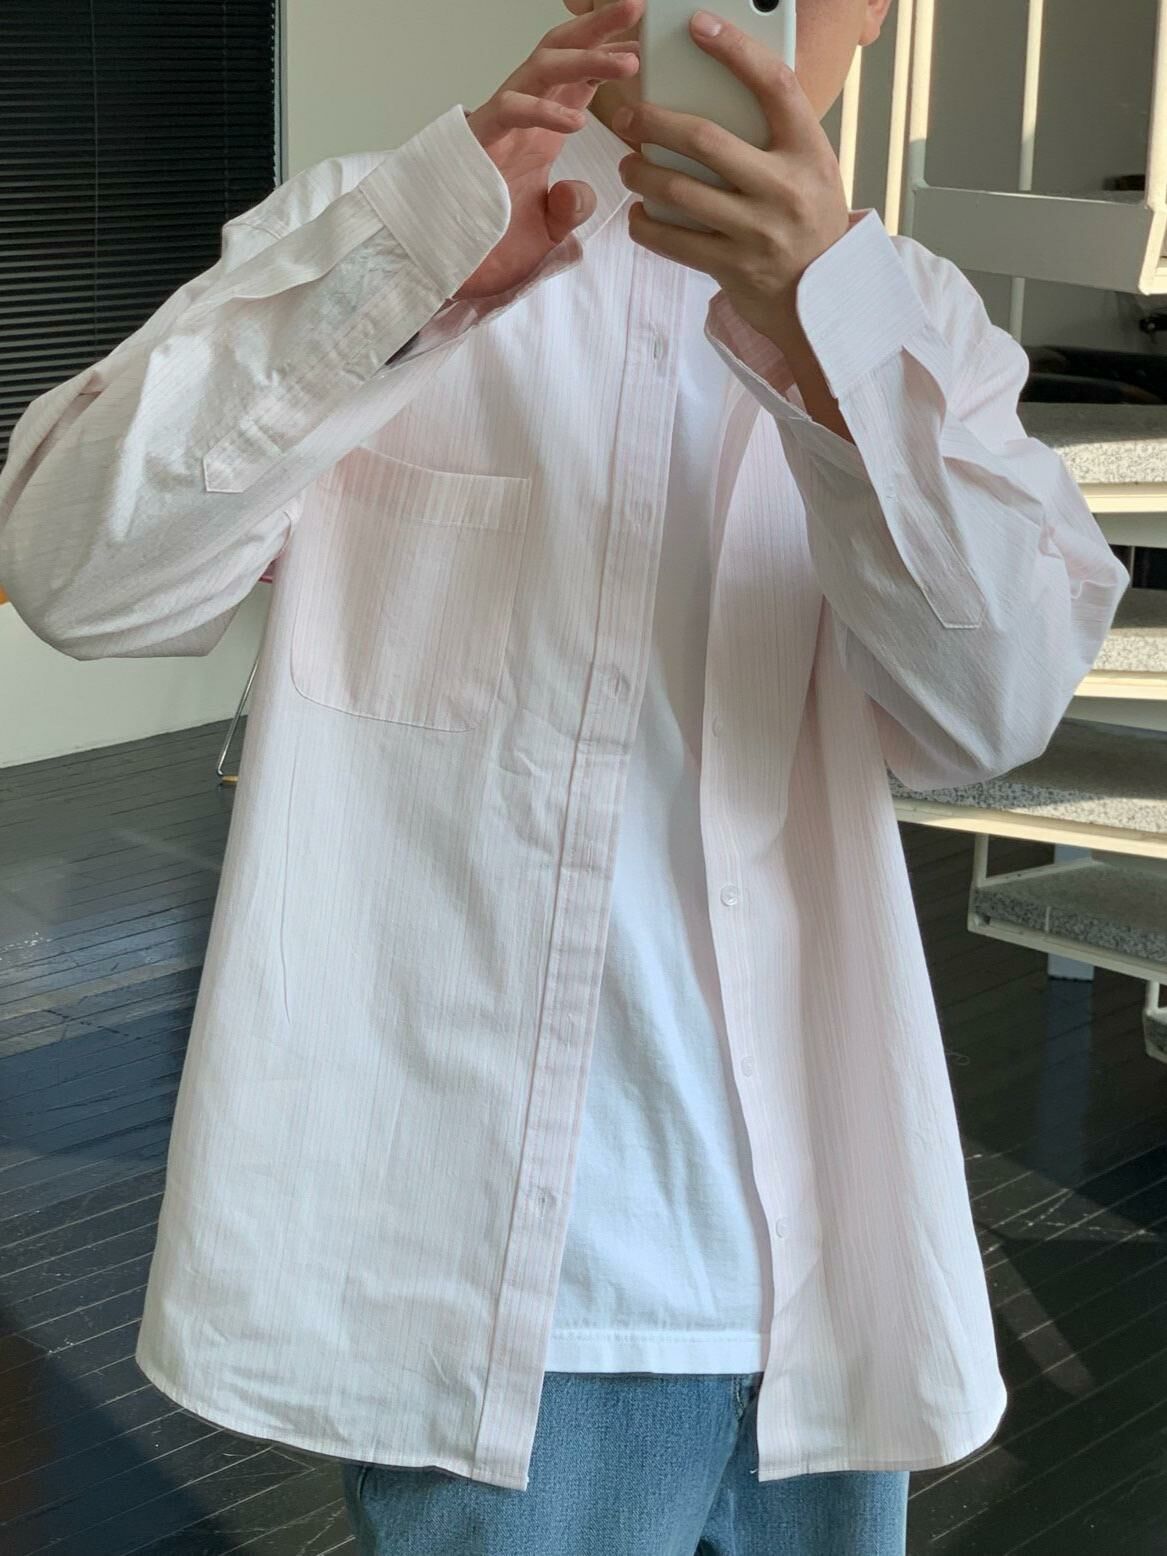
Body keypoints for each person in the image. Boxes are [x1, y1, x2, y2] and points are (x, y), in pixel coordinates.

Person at [0, 1, 1130, 1552]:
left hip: (825, 1273)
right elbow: (76, 573)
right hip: (495, 1301)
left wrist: (835, 344)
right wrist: (410, 262)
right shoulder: (381, 228)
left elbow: (992, 707)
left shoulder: (913, 320)